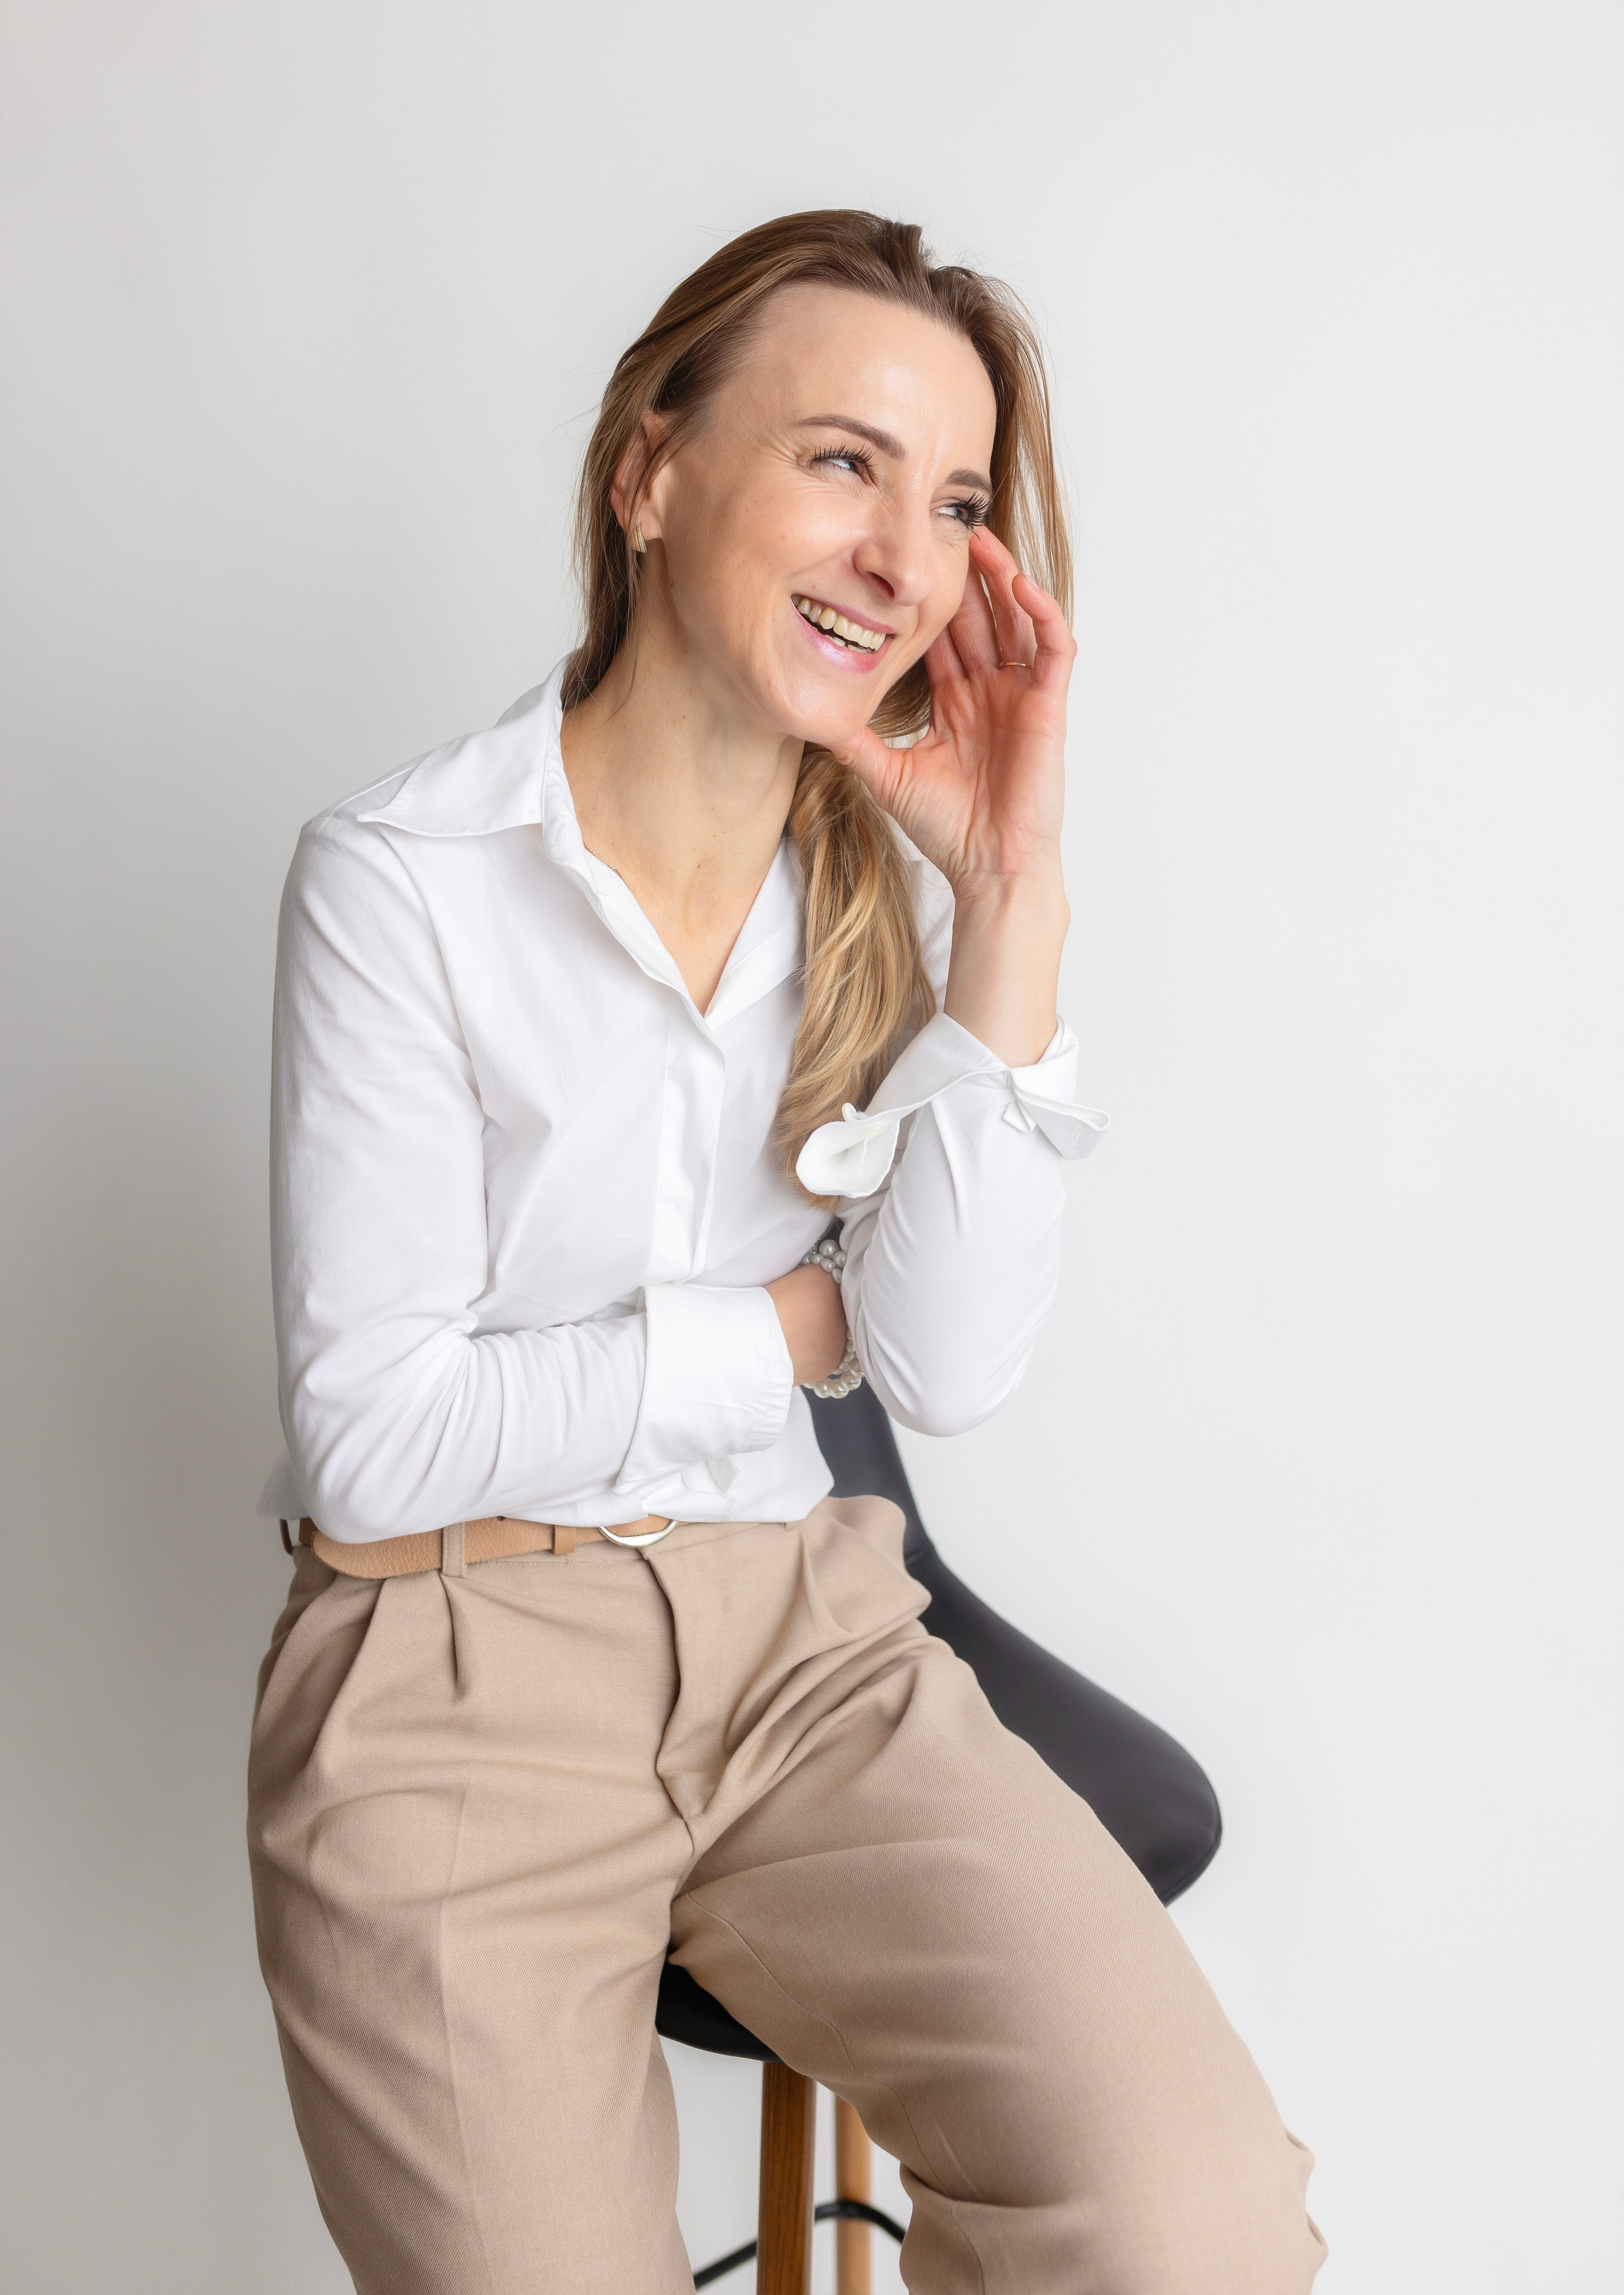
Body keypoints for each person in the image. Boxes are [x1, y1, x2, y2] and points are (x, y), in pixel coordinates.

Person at [247, 210, 1325, 2293]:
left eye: (951, 503)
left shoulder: (870, 895)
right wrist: (786, 1323)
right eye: (843, 462)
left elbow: (944, 1367)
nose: (902, 556)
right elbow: (375, 1438)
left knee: (1195, 2229)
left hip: (812, 1646)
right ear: (648, 472)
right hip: (448, 1677)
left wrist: (1009, 896)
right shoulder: (404, 883)